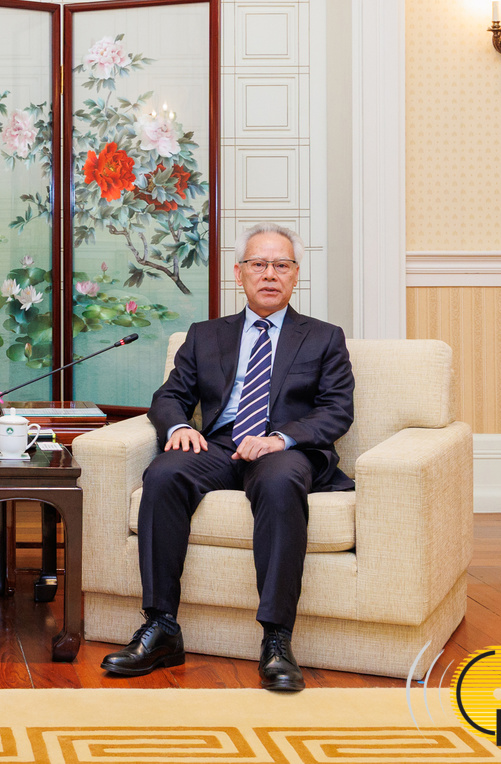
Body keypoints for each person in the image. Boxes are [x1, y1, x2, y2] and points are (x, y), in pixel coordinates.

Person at [100, 222, 354, 692]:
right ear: (239, 273)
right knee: (164, 472)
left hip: (284, 450)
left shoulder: (323, 337)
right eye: (259, 264)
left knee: (279, 481)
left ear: (296, 274)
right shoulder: (205, 335)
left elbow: (337, 410)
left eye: (282, 265)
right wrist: (179, 428)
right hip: (220, 445)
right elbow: (169, 396)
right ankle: (161, 626)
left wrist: (281, 438)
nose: (270, 274)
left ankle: (276, 638)